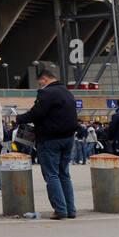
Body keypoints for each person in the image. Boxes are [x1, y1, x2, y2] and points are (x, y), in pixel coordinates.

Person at [14, 64, 78, 219]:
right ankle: (71, 210)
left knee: (52, 175)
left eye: (40, 82)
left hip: (50, 140)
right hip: (68, 138)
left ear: (45, 79)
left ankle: (60, 209)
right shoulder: (67, 92)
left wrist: (19, 118)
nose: (40, 85)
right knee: (64, 174)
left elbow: (37, 113)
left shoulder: (47, 92)